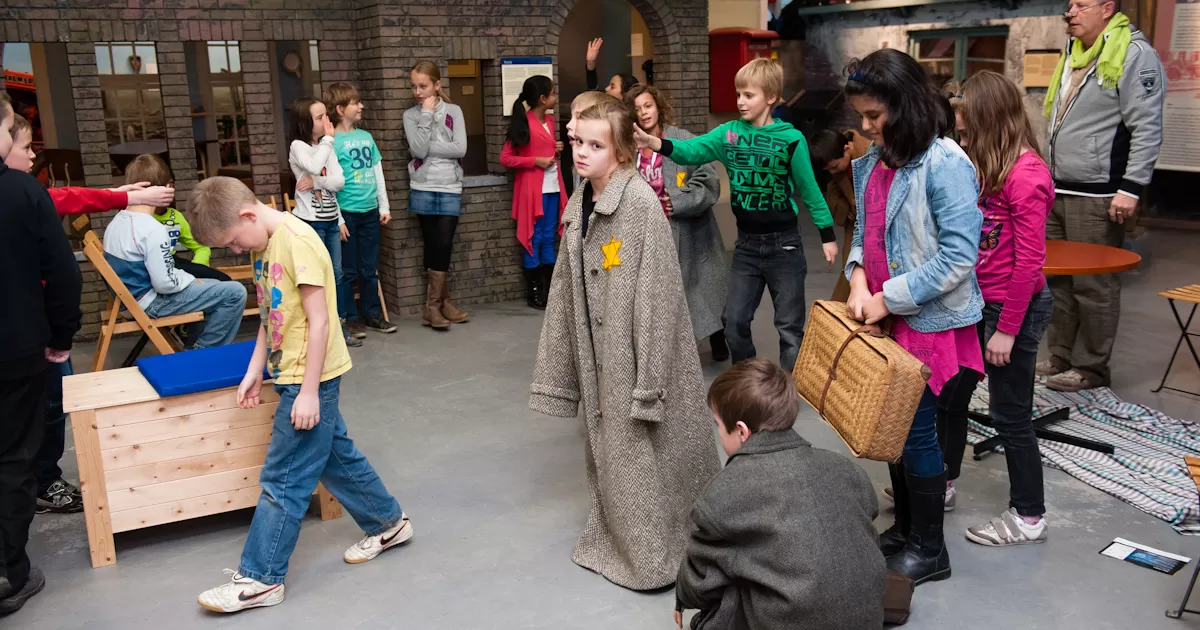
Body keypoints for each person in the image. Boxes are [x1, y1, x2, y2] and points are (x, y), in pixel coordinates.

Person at [185, 177, 411, 613]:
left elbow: (320, 321)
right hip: (289, 371)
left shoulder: (298, 242)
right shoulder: (263, 243)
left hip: (312, 377)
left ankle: (262, 578)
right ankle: (389, 523)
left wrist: (308, 391)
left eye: (232, 242)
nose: (236, 250)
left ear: (247, 215)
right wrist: (255, 370)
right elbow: (270, 316)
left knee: (283, 478)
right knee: (334, 455)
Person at [529, 95, 719, 591]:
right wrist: (559, 374)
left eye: (596, 145)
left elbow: (657, 297)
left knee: (646, 456)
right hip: (602, 350)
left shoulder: (638, 205)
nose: (582, 152)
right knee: (616, 455)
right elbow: (565, 288)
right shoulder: (582, 198)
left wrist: (649, 383)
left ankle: (653, 559)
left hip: (637, 356)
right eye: (579, 142)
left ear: (621, 150)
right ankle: (629, 544)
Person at [843, 48, 983, 586]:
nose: (866, 127)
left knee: (916, 432)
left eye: (874, 116)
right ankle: (904, 530)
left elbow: (958, 258)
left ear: (905, 105)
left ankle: (930, 549)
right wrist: (859, 279)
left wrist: (887, 298)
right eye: (861, 116)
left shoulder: (945, 163)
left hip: (926, 322)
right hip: (888, 319)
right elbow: (865, 233)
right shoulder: (876, 162)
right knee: (894, 429)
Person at [4, 115, 173, 516]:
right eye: (25, 148)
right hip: (30, 331)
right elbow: (58, 208)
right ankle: (40, 481)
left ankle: (37, 481)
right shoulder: (21, 194)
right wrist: (120, 198)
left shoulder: (23, 192)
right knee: (49, 403)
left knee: (47, 405)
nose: (32, 157)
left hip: (31, 326)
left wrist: (117, 195)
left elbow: (63, 197)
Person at [634, 58, 838, 374]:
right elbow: (693, 150)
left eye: (749, 95)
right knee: (733, 323)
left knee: (789, 328)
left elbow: (810, 189)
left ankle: (787, 391)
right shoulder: (728, 134)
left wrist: (827, 235)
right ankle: (748, 384)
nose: (741, 101)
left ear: (771, 97)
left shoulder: (791, 139)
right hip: (747, 247)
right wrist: (655, 143)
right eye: (739, 94)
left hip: (785, 246)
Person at [674, 359, 885, 630]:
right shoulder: (848, 470)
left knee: (728, 575)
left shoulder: (725, 492)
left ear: (741, 431)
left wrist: (683, 595)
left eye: (718, 425)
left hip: (792, 620)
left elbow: (701, 577)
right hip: (868, 618)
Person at [936, 71, 1054, 547]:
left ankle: (1029, 517)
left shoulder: (1027, 176)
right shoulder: (988, 166)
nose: (963, 142)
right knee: (949, 396)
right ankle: (942, 481)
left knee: (1011, 415)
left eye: (968, 133)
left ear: (991, 123)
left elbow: (1029, 263)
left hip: (1012, 310)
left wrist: (1006, 329)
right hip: (977, 304)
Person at [1042, 1, 1164, 392]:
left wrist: (1131, 187)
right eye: (1069, 5)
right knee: (1058, 282)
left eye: (1081, 4)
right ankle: (1061, 356)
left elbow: (1147, 126)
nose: (1071, 12)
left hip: (1098, 192)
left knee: (1093, 285)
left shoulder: (1133, 54)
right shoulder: (1074, 52)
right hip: (1058, 187)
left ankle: (1091, 367)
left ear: (1107, 8)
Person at [0, 91, 81, 616]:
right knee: (13, 456)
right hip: (16, 348)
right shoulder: (22, 192)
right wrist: (61, 334)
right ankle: (9, 571)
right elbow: (63, 272)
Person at [626, 84, 729, 362]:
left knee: (702, 288)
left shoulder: (681, 138)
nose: (644, 112)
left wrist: (680, 199)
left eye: (648, 105)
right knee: (659, 293)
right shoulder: (629, 146)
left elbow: (709, 180)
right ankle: (667, 348)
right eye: (637, 109)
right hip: (649, 232)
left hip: (690, 231)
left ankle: (718, 335)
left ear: (658, 107)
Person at [104, 155, 247, 351]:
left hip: (129, 302)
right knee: (235, 292)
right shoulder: (152, 228)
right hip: (150, 302)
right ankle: (202, 354)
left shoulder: (117, 222)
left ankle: (194, 347)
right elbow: (165, 284)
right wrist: (189, 279)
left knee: (213, 286)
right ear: (165, 188)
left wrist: (188, 279)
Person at [402, 63, 470, 330]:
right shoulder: (411, 115)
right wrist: (427, 115)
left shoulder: (454, 111)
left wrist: (431, 146)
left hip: (450, 185)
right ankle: (435, 307)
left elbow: (460, 148)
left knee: (444, 244)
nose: (418, 92)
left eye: (423, 86)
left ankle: (439, 304)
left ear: (437, 85)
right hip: (423, 185)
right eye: (414, 86)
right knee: (432, 245)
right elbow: (418, 151)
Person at [287, 97, 359, 348]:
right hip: (310, 222)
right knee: (314, 277)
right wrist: (328, 141)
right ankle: (318, 329)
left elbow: (339, 182)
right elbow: (314, 165)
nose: (327, 121)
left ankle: (339, 327)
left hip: (330, 220)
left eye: (326, 115)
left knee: (336, 275)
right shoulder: (299, 146)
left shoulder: (326, 147)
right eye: (320, 118)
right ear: (305, 122)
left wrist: (317, 183)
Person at [328, 81, 397, 336]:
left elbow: (378, 173)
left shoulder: (366, 137)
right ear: (340, 109)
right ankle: (351, 318)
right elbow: (329, 185)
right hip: (346, 213)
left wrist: (384, 206)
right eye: (355, 103)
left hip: (370, 212)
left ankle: (372, 314)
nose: (361, 106)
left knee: (369, 269)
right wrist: (338, 220)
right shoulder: (331, 142)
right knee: (347, 270)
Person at [501, 75, 566, 310]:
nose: (556, 97)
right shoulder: (523, 122)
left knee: (548, 236)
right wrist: (535, 161)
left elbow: (545, 148)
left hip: (553, 186)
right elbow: (506, 158)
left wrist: (556, 148)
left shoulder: (550, 120)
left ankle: (550, 290)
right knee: (534, 237)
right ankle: (535, 291)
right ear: (542, 99)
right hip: (533, 189)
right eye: (553, 93)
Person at [121, 155, 233, 282]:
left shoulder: (176, 217)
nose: (170, 190)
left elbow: (201, 247)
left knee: (224, 280)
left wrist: (197, 270)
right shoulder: (132, 220)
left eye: (172, 185)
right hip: (146, 270)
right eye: (164, 186)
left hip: (173, 264)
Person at [808, 128, 872, 302]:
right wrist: (848, 207)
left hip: (875, 223)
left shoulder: (871, 154)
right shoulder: (838, 164)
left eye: (835, 167)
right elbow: (836, 196)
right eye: (829, 170)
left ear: (847, 148)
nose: (833, 172)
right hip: (856, 225)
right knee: (851, 268)